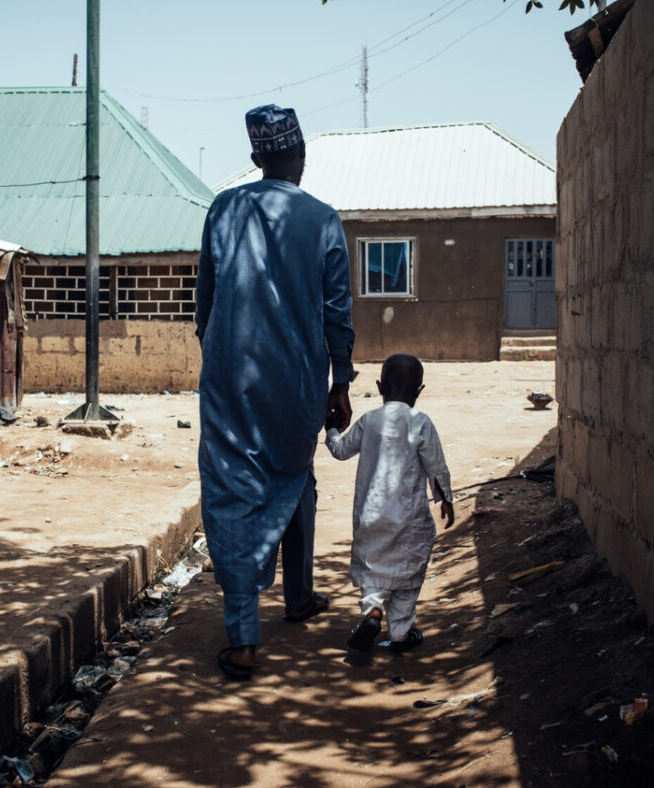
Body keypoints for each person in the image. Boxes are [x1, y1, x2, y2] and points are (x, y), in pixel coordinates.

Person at [195, 104, 355, 680]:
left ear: (256, 157)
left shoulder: (223, 208)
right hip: (297, 380)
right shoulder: (322, 219)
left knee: (233, 492)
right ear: (300, 155)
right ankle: (299, 595)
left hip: (229, 378)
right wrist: (341, 381)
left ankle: (244, 637)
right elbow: (337, 311)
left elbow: (205, 299)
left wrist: (217, 355)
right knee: (295, 476)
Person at [324, 353, 454, 654]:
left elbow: (340, 451)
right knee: (408, 576)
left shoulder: (369, 420)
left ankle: (372, 611)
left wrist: (331, 429)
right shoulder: (420, 422)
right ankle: (400, 633)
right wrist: (445, 499)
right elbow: (436, 466)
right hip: (409, 518)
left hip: (370, 517)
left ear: (380, 387)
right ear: (419, 391)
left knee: (373, 570)